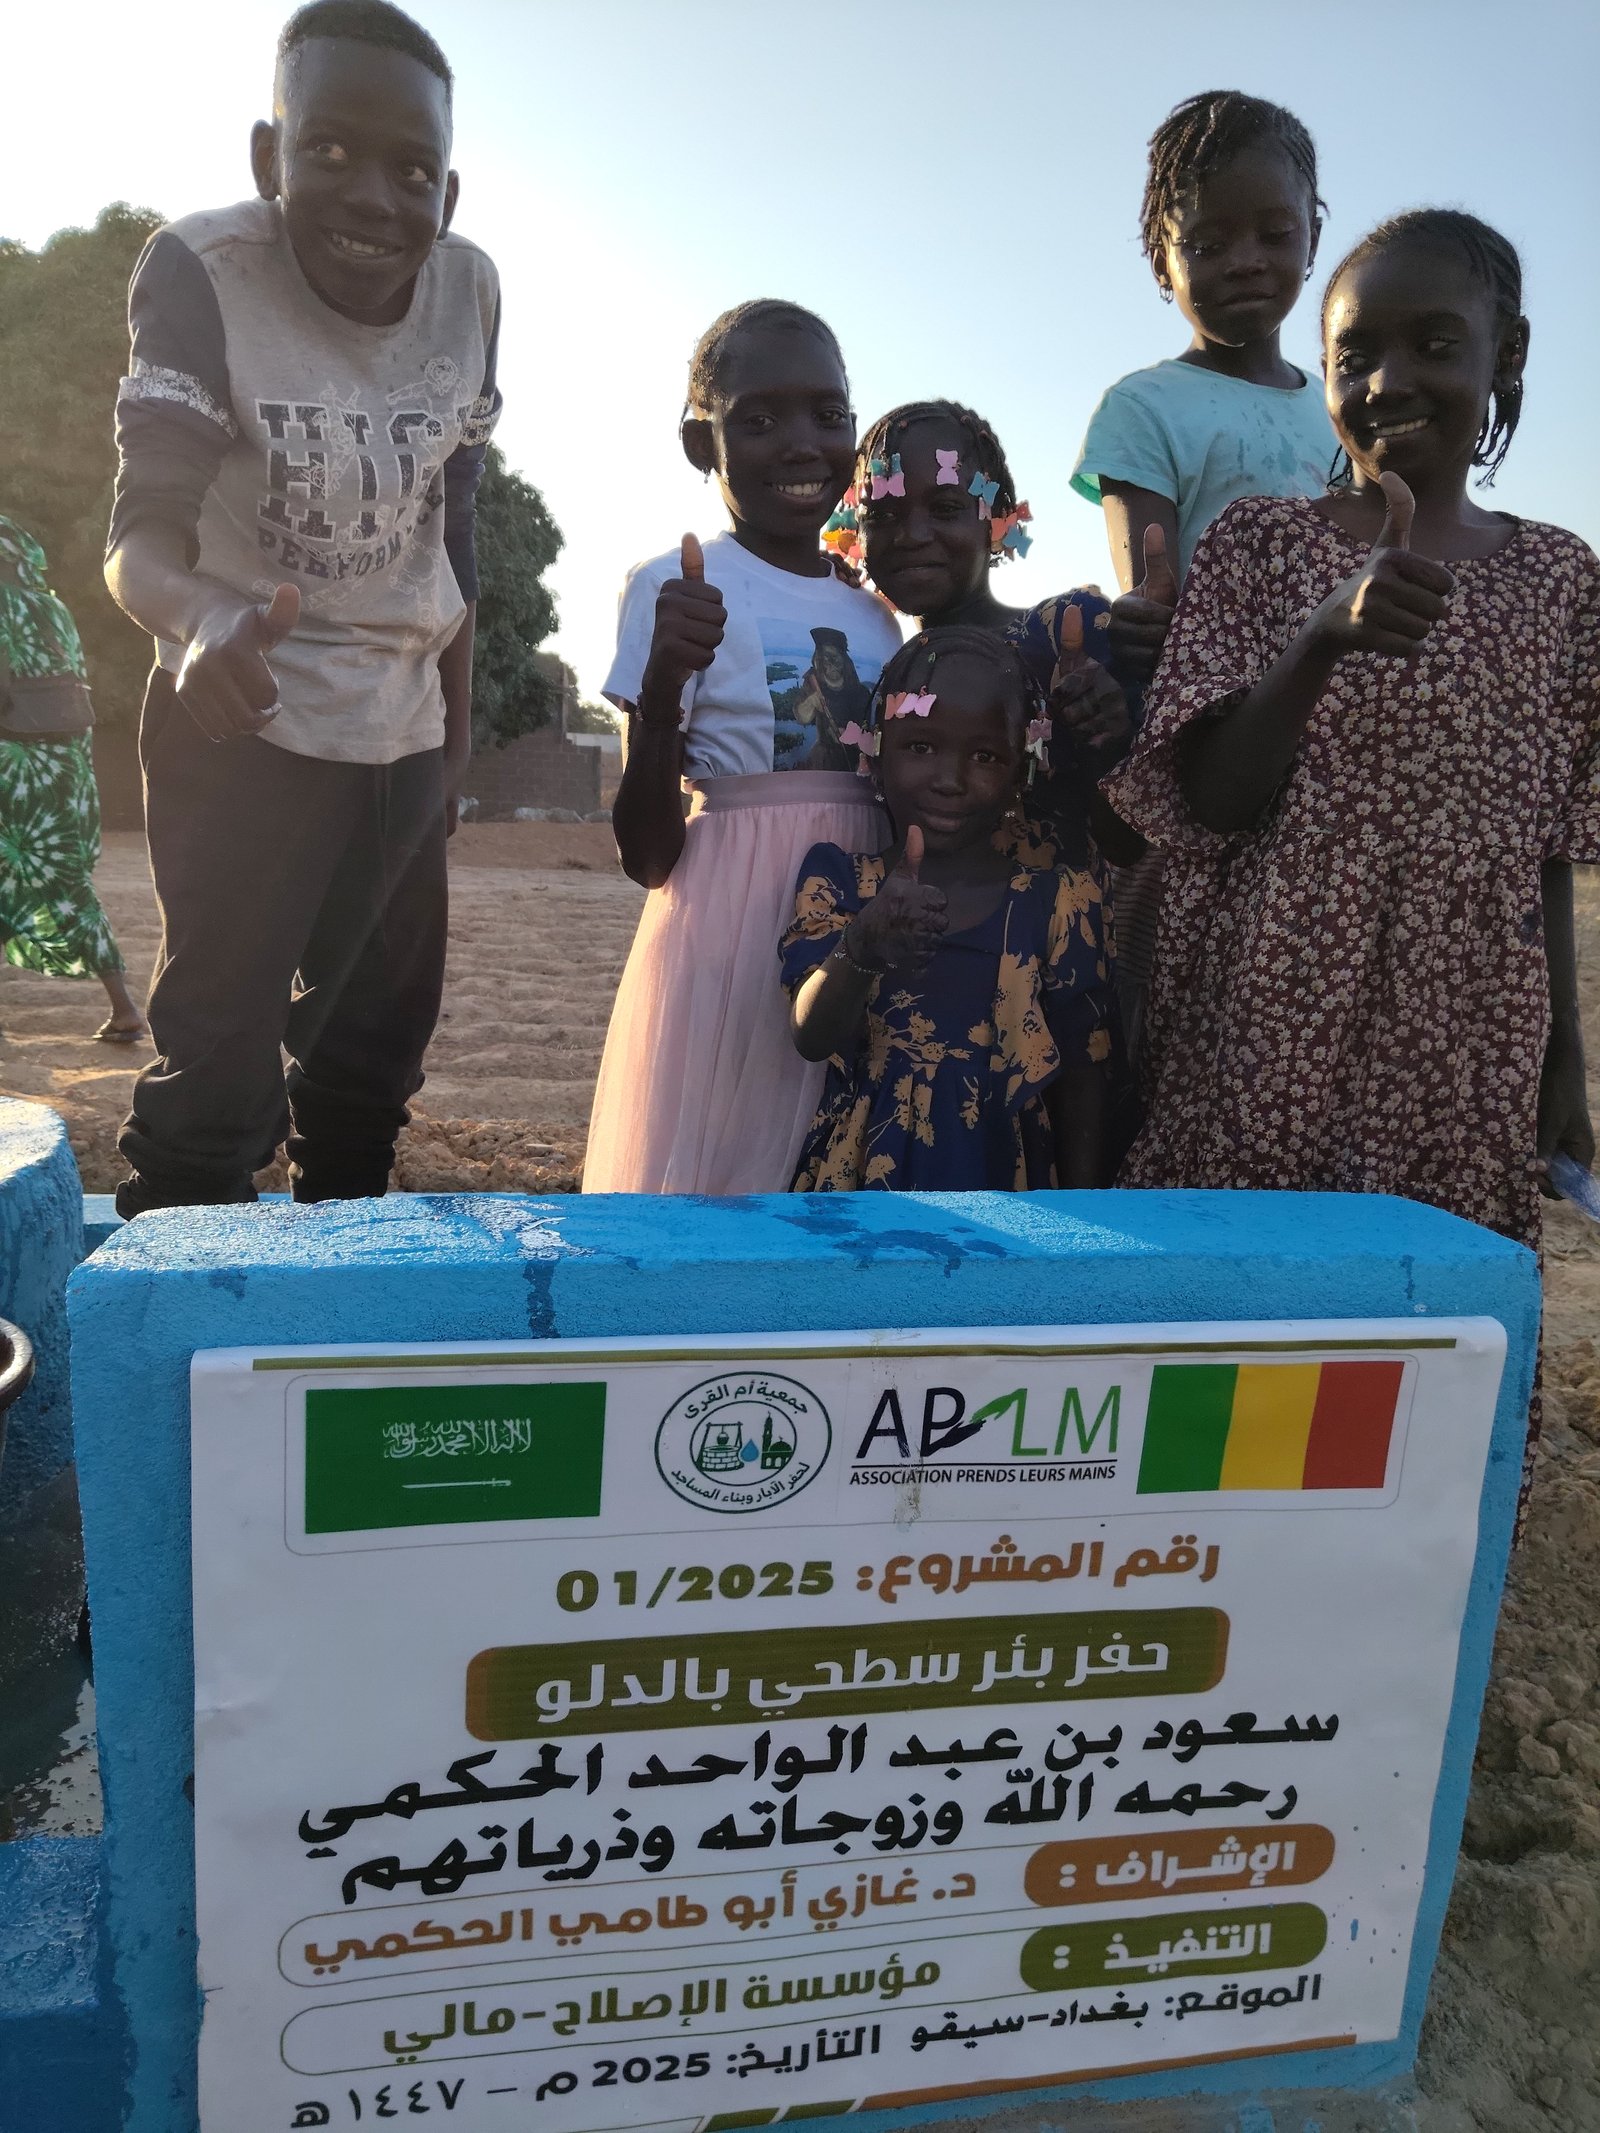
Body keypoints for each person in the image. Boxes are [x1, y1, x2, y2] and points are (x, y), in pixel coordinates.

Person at [1103, 210, 1598, 1501]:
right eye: (1353, 354)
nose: (1387, 381)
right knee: (1238, 1305)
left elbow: (1549, 842)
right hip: (1268, 1003)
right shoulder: (1262, 545)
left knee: (1421, 1321)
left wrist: (1564, 1055)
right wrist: (1321, 637)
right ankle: (1200, 1548)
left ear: (1505, 354)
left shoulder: (1562, 579)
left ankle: (1391, 1564)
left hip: (1463, 1024)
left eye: (1434, 343)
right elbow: (1209, 799)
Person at [103, 0, 500, 1215]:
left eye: (413, 171)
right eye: (328, 150)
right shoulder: (201, 272)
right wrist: (200, 618)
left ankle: (340, 1288)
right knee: (215, 1070)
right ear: (268, 156)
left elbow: (455, 526)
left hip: (401, 731)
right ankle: (181, 1287)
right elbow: (136, 543)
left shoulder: (471, 292)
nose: (375, 196)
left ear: (448, 192)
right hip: (240, 714)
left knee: (371, 1063)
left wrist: (452, 743)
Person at [583, 301, 902, 1196]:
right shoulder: (672, 587)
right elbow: (647, 857)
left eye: (827, 415)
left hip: (853, 931)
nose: (801, 445)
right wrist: (659, 695)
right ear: (702, 443)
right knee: (719, 1179)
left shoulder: (877, 613)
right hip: (731, 936)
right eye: (758, 421)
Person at [1071, 90, 1336, 1059]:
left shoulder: (1337, 410)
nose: (1245, 261)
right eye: (1208, 242)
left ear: (1313, 235)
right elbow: (1154, 585)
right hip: (1204, 730)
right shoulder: (1145, 406)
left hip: (1328, 734)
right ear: (1162, 262)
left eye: (1273, 233)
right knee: (1175, 993)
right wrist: (1148, 617)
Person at [782, 627, 1114, 1192]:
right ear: (877, 754)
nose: (950, 781)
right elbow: (811, 1036)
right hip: (860, 1191)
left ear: (1022, 770)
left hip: (1007, 1194)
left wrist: (1083, 1224)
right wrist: (862, 945)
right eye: (920, 747)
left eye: (985, 756)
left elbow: (1085, 1077)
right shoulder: (842, 880)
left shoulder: (1059, 903)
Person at [837, 400, 1141, 875]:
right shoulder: (877, 663)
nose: (912, 534)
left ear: (997, 518)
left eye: (945, 508)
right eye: (881, 514)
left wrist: (1108, 743)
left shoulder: (1064, 635)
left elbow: (1129, 846)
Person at [0, 515, 145, 1040]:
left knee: (11, 874)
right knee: (65, 882)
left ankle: (125, 1010)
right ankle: (123, 1007)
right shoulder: (54, 608)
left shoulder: (3, 607)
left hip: (15, 766)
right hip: (66, 765)